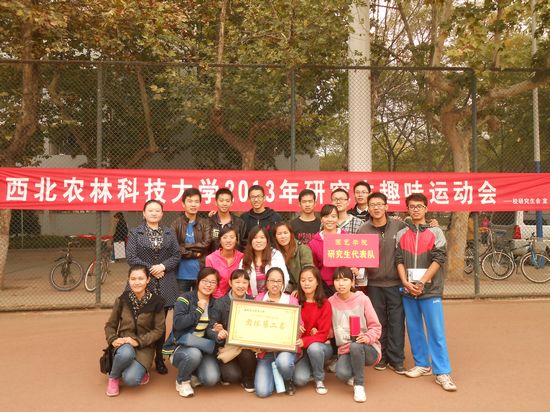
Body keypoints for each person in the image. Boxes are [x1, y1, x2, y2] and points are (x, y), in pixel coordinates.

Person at [395, 193, 457, 392]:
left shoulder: (436, 232)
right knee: (414, 329)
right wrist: (405, 282)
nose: (416, 209)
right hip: (408, 290)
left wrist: (421, 282)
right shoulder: (401, 233)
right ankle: (422, 364)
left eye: (419, 206)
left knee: (436, 331)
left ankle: (442, 372)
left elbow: (439, 259)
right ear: (407, 209)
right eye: (412, 206)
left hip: (430, 290)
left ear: (426, 208)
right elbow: (399, 260)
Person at [126, 199, 181, 375]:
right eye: (150, 210)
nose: (154, 213)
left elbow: (176, 255)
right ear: (144, 213)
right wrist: (152, 269)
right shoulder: (135, 233)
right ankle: (142, 358)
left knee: (160, 324)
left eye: (157, 210)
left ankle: (159, 358)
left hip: (165, 282)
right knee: (142, 322)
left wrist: (163, 266)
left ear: (162, 214)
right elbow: (131, 257)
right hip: (143, 283)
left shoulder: (169, 232)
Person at [356, 192, 406, 374]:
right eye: (372, 205)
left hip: (396, 283)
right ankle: (381, 356)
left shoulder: (399, 226)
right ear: (368, 208)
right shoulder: (363, 230)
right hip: (374, 284)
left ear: (386, 206)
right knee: (378, 322)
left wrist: (432, 224)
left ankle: (397, 359)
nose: (376, 208)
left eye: (379, 204)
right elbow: (358, 256)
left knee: (397, 322)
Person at [104, 264, 165, 397]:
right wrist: (112, 339)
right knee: (126, 353)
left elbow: (158, 330)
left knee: (131, 380)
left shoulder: (157, 302)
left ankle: (138, 369)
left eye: (140, 278)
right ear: (129, 280)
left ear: (148, 280)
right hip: (124, 344)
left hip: (145, 346)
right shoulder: (122, 300)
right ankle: (113, 377)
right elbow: (110, 325)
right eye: (133, 279)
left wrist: (138, 341)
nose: (136, 282)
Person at [328, 266, 382, 403]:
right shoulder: (330, 302)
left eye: (345, 280)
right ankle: (353, 368)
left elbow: (376, 327)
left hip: (367, 348)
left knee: (355, 346)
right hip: (345, 349)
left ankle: (359, 385)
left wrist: (367, 337)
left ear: (352, 282)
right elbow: (330, 330)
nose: (341, 284)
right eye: (337, 280)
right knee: (342, 374)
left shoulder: (363, 299)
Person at [171, 267, 221, 397]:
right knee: (194, 354)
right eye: (205, 281)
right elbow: (178, 323)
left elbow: (212, 329)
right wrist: (199, 311)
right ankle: (182, 381)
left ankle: (192, 372)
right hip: (183, 346)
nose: (208, 285)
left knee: (211, 379)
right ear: (198, 281)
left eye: (213, 282)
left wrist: (218, 329)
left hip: (204, 348)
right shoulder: (185, 298)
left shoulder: (216, 304)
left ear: (217, 286)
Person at [206, 269, 257, 392]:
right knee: (232, 376)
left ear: (248, 284)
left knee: (247, 355)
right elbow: (211, 326)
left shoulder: (253, 302)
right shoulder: (220, 303)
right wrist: (218, 333)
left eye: (244, 282)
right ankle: (229, 370)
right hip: (227, 348)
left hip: (246, 347)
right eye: (237, 282)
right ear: (230, 283)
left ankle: (248, 378)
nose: (241, 286)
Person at [254, 267, 299, 398]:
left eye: (279, 281)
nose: (275, 284)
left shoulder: (291, 300)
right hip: (266, 351)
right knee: (262, 392)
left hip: (285, 349)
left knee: (283, 362)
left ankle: (288, 378)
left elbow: (300, 324)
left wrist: (298, 327)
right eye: (272, 280)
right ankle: (275, 374)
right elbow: (252, 325)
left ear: (283, 283)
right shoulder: (259, 299)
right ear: (266, 282)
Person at [293, 266, 333, 395]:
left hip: (321, 347)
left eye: (310, 280)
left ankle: (319, 379)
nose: (306, 283)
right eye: (303, 280)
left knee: (314, 348)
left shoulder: (325, 304)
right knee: (299, 379)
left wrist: (304, 341)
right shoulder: (295, 301)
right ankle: (313, 365)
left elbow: (323, 334)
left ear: (317, 282)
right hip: (303, 350)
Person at [171, 188, 212, 294]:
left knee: (200, 302)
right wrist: (194, 254)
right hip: (181, 273)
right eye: (190, 201)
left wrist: (185, 246)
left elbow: (206, 244)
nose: (193, 204)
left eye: (196, 201)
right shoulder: (176, 224)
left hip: (200, 273)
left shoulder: (205, 223)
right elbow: (175, 247)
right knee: (181, 302)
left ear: (200, 204)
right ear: (183, 204)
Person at [239, 226, 289, 297]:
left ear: (267, 240)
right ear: (250, 241)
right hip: (251, 299)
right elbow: (240, 280)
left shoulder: (276, 255)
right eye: (255, 238)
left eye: (262, 237)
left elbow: (285, 278)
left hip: (273, 298)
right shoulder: (245, 258)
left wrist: (275, 295)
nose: (259, 241)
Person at [308, 204, 345, 296]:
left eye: (333, 216)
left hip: (345, 284)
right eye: (326, 216)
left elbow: (355, 260)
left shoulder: (347, 238)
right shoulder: (313, 243)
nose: (330, 220)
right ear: (321, 219)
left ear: (338, 219)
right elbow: (314, 266)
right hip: (324, 286)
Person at [272, 221, 313, 293]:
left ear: (291, 234)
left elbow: (308, 272)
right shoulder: (274, 252)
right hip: (282, 289)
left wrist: (298, 289)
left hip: (302, 288)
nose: (283, 236)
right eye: (279, 234)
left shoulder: (303, 249)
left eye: (285, 233)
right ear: (275, 237)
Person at [205, 226, 244, 298]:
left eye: (232, 237)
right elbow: (210, 282)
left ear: (236, 240)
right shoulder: (210, 259)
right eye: (225, 237)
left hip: (238, 297)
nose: (228, 240)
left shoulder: (242, 257)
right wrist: (221, 299)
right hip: (216, 298)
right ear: (220, 240)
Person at [209, 188, 247, 252]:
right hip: (213, 257)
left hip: (235, 257)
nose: (224, 203)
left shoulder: (239, 222)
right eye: (221, 201)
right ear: (216, 202)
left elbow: (245, 245)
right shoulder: (209, 222)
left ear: (231, 203)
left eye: (227, 201)